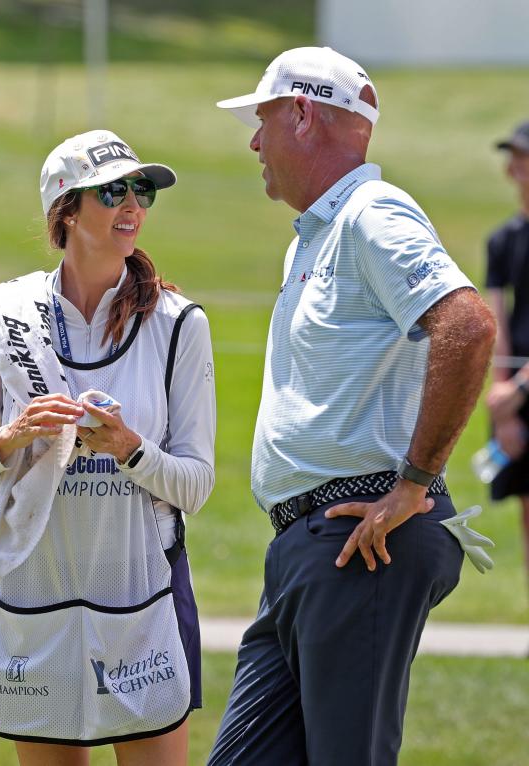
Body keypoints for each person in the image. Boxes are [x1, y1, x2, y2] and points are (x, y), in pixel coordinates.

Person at [209, 47, 496, 766]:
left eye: (263, 119)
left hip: (362, 538)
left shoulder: (371, 213)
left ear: (302, 114)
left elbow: (467, 324)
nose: (254, 142)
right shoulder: (317, 236)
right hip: (311, 547)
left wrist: (413, 483)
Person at [0, 129, 216, 766]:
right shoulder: (2, 315)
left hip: (143, 593)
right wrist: (11, 437)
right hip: (36, 591)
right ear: (65, 209)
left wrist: (128, 447)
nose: (133, 204)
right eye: (113, 189)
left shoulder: (179, 324)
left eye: (142, 190)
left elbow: (196, 484)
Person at [484, 120, 529, 589]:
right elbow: (498, 322)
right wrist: (503, 405)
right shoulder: (504, 240)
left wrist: (516, 390)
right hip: (518, 392)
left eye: (524, 155)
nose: (515, 164)